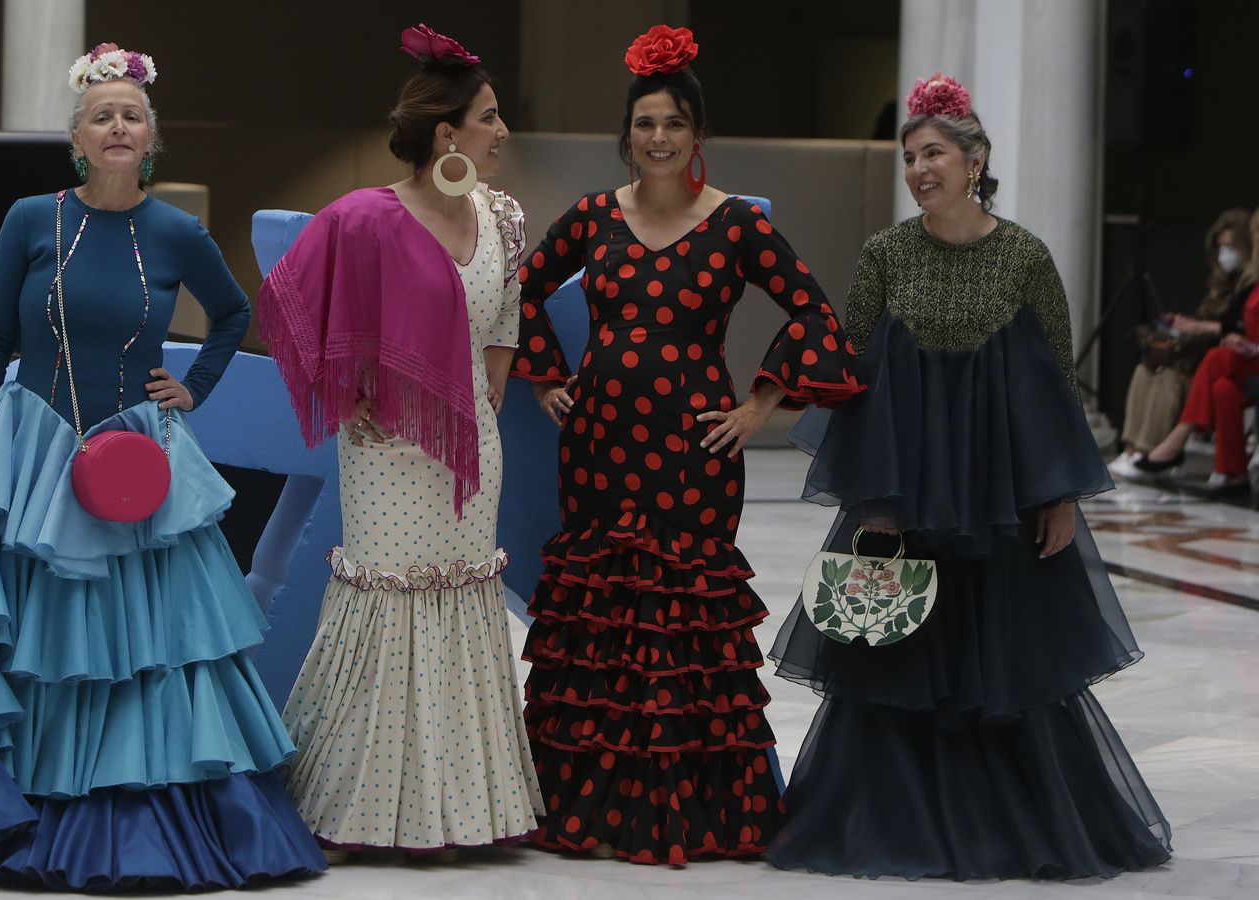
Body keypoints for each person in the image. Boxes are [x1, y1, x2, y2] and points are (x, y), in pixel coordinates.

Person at [0, 43, 326, 890]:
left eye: (132, 115)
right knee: (1, 625)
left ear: (153, 140)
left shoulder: (178, 233)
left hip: (136, 461)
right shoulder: (32, 218)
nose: (118, 126)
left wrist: (193, 391)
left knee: (139, 644)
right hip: (29, 446)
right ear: (77, 135)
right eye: (102, 114)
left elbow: (233, 315)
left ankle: (125, 808)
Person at [767, 72, 1172, 880]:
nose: (919, 169)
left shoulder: (1025, 256)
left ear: (975, 158)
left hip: (997, 500)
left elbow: (1054, 380)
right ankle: (899, 820)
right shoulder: (885, 253)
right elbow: (855, 378)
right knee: (901, 655)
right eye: (910, 157)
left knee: (1003, 657)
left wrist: (1058, 492)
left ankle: (1009, 826)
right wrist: (873, 500)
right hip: (904, 489)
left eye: (934, 154)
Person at [508, 25, 863, 866]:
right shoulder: (596, 216)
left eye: (672, 124)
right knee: (599, 614)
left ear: (696, 135)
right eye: (644, 125)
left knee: (683, 616)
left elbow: (815, 312)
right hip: (597, 447)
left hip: (695, 455)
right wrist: (544, 377)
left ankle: (691, 810)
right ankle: (581, 808)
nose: (657, 138)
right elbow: (516, 288)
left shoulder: (737, 225)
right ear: (626, 136)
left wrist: (759, 405)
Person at [256, 25, 542, 861]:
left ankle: (459, 808)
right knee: (390, 597)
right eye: (489, 117)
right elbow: (293, 304)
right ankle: (363, 803)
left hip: (471, 447)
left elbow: (508, 310)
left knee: (461, 594)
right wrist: (354, 394)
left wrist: (484, 392)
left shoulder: (503, 215)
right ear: (447, 133)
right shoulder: (364, 217)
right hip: (385, 452)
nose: (502, 132)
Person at [1109, 208, 1253, 476]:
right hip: (1198, 362)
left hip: (1219, 367)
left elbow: (1236, 331)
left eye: (1231, 247)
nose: (1225, 255)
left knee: (1172, 380)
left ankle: (1152, 449)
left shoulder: (1247, 290)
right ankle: (1132, 450)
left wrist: (1199, 328)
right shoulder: (1220, 287)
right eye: (1221, 248)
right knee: (1145, 371)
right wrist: (1182, 327)